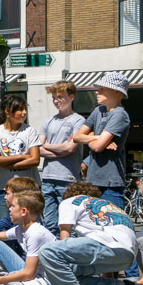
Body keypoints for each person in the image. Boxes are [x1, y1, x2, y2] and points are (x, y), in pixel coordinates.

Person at [38, 181, 139, 285]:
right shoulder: (110, 206)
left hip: (106, 244)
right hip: (127, 255)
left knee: (47, 252)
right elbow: (107, 252)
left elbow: (64, 236)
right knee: (74, 277)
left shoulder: (69, 201)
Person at [72, 71, 131, 211]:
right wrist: (98, 136)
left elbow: (97, 147)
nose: (97, 92)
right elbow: (76, 137)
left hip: (111, 184)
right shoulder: (98, 111)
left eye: (102, 88)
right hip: (93, 181)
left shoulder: (119, 114)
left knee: (113, 226)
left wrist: (92, 137)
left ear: (116, 91)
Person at [38, 81, 86, 233]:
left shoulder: (78, 120)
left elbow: (71, 147)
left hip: (68, 178)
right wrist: (61, 149)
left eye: (60, 97)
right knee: (50, 225)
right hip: (47, 177)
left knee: (68, 223)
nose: (56, 101)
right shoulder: (48, 121)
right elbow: (37, 148)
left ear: (71, 97)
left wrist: (48, 146)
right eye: (54, 97)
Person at [0, 95, 41, 218]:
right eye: (19, 109)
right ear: (7, 111)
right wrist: (23, 156)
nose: (24, 113)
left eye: (25, 109)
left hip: (29, 189)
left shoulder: (30, 131)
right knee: (7, 226)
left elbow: (35, 159)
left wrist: (5, 163)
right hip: (5, 189)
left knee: (32, 225)